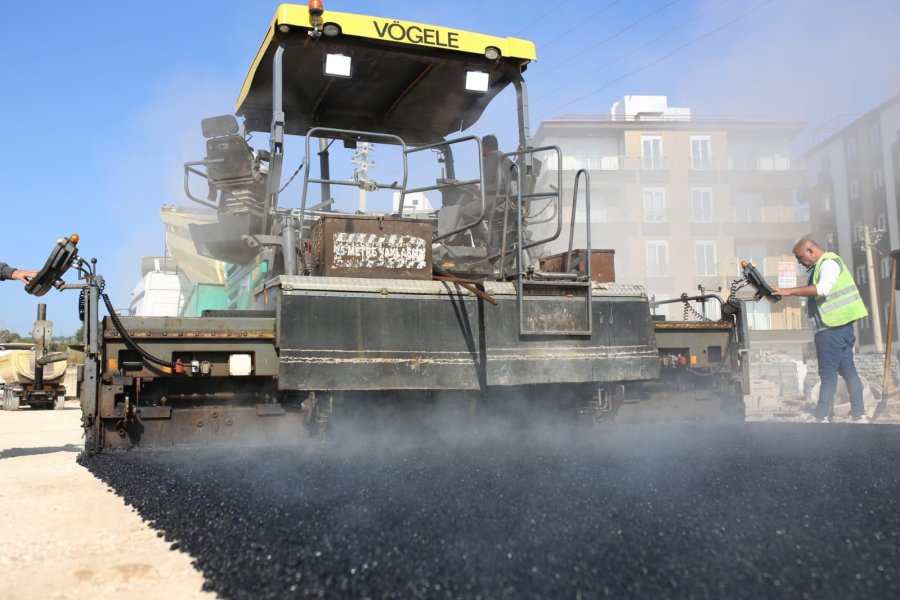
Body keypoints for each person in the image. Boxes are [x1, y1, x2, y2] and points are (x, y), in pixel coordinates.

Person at [773, 238, 869, 423]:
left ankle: (821, 416)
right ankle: (859, 414)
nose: (799, 262)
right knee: (848, 372)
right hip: (841, 328)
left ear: (810, 251)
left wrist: (788, 291)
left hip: (831, 329)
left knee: (827, 374)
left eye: (800, 257)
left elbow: (823, 289)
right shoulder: (825, 265)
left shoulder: (828, 264)